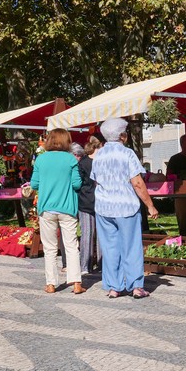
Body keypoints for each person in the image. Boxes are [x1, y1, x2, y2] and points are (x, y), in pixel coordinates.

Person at [91, 118, 159, 299]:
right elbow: (137, 183)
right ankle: (136, 286)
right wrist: (150, 205)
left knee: (110, 248)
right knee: (131, 247)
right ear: (122, 136)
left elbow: (97, 181)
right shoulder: (127, 154)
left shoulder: (99, 156)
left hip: (104, 207)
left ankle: (114, 286)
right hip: (126, 206)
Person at [32, 129, 85, 294]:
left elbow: (34, 184)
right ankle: (76, 283)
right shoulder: (70, 159)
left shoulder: (41, 159)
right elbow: (77, 184)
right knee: (71, 246)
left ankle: (51, 284)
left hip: (46, 208)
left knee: (49, 248)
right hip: (67, 208)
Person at [77, 135, 103, 274]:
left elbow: (78, 183)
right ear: (99, 146)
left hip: (85, 200)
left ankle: (84, 266)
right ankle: (101, 264)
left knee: (87, 234)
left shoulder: (82, 162)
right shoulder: (102, 162)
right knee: (101, 235)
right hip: (101, 200)